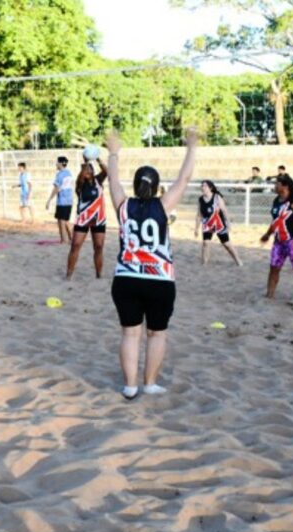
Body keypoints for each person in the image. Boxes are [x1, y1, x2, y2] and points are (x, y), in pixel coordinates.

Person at [105, 127, 198, 400]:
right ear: (157, 187)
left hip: (126, 278)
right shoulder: (163, 205)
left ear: (135, 186)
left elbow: (113, 180)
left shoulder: (123, 205)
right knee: (156, 335)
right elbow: (185, 178)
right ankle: (150, 382)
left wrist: (113, 153)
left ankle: (130, 385)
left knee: (130, 334)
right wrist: (192, 147)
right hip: (159, 280)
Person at [260, 174, 293, 301]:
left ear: (285, 186)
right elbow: (275, 221)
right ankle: (269, 295)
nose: (274, 186)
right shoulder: (277, 200)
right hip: (279, 241)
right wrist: (268, 234)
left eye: (276, 183)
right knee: (274, 268)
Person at [65, 159, 108, 280]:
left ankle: (99, 274)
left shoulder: (98, 181)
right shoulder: (80, 184)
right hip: (83, 219)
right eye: (85, 169)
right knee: (75, 245)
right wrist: (85, 162)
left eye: (90, 168)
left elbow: (107, 171)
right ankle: (69, 274)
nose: (87, 171)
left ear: (93, 171)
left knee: (99, 246)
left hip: (99, 218)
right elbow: (81, 177)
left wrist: (98, 158)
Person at [194, 180, 242, 266]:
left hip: (218, 223)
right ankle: (204, 263)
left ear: (210, 188)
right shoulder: (200, 199)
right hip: (207, 224)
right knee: (206, 243)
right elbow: (198, 215)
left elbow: (224, 211)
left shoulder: (217, 197)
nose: (202, 188)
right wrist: (196, 228)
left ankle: (238, 260)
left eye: (205, 186)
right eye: (202, 186)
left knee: (226, 244)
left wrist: (228, 224)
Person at [45, 156, 75, 242]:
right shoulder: (69, 173)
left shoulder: (60, 174)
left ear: (61, 163)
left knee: (61, 221)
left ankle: (64, 240)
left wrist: (49, 200)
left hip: (62, 201)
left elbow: (56, 188)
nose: (56, 164)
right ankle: (71, 238)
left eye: (57, 162)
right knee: (66, 221)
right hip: (69, 200)